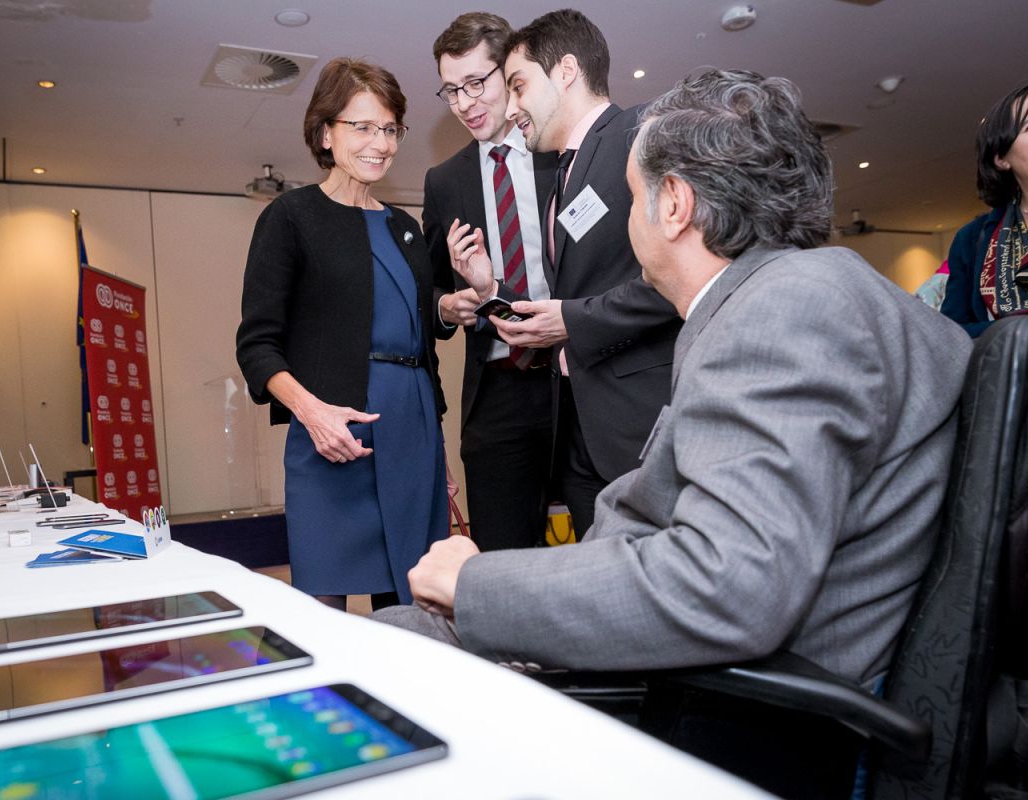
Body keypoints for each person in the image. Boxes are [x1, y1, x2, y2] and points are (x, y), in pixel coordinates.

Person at [376, 68, 970, 695]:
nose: (630, 219)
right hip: (719, 661)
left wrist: (476, 586)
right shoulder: (783, 297)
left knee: (391, 646)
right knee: (397, 633)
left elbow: (728, 587)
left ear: (675, 206)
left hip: (742, 703)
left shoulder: (785, 312)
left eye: (633, 198)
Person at [445, 9, 681, 535]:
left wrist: (571, 321)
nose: (511, 107)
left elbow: (679, 279)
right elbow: (573, 294)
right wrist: (490, 287)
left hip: (637, 424)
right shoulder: (563, 176)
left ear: (567, 71)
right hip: (580, 428)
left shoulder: (639, 136)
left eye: (518, 86)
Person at [235, 58, 447, 612]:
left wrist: (438, 453)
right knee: (322, 610)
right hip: (332, 438)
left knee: (411, 610)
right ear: (326, 132)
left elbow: (423, 345)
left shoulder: (404, 228)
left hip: (412, 433)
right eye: (363, 126)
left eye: (390, 128)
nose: (381, 143)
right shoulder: (291, 216)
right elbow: (256, 345)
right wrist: (312, 413)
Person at [424, 13, 557, 552]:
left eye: (476, 83)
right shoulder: (444, 181)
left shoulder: (558, 153)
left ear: (510, 73)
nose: (464, 103)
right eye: (452, 90)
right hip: (497, 389)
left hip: (575, 376)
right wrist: (447, 306)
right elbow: (429, 289)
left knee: (606, 540)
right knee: (501, 560)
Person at [941, 79, 1028, 337]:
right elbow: (951, 333)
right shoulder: (972, 239)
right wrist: (1021, 329)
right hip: (1013, 362)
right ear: (1002, 159)